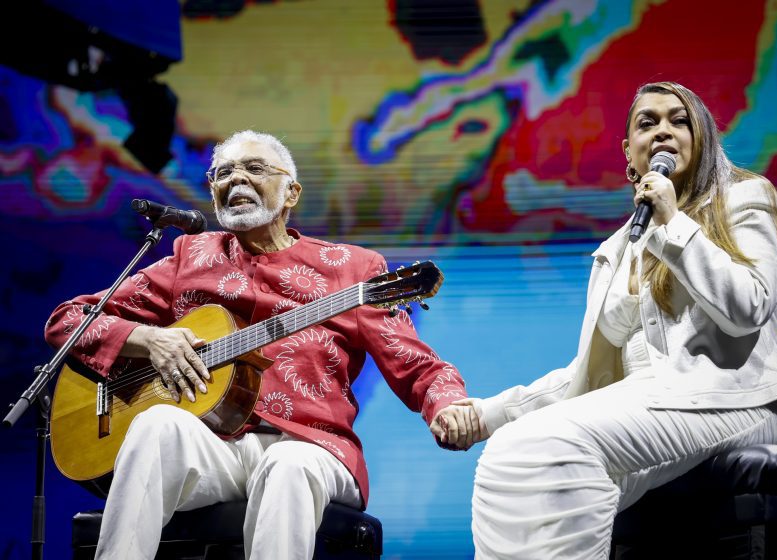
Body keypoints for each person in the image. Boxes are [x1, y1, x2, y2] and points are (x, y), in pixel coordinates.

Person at [44, 130, 474, 559]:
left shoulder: (352, 269)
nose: (236, 180)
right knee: (155, 424)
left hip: (312, 446)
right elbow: (68, 321)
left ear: (292, 193)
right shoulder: (189, 256)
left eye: (254, 169)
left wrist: (448, 405)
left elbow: (416, 364)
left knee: (286, 465)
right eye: (223, 173)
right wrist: (148, 339)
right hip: (214, 447)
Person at [437, 81, 777, 558]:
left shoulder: (745, 199)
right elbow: (586, 377)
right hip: (649, 401)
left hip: (734, 398)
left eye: (679, 120)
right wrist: (489, 415)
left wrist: (672, 222)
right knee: (508, 456)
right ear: (629, 152)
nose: (664, 132)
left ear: (704, 138)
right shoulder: (617, 249)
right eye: (647, 123)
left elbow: (747, 307)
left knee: (547, 446)